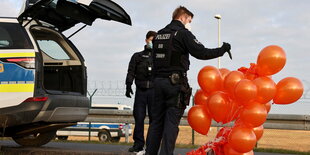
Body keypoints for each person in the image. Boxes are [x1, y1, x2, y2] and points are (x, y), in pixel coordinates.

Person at [145, 6, 232, 155]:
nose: (189, 24)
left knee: (156, 124)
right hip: (174, 85)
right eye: (189, 20)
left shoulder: (159, 35)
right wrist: (222, 49)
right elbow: (202, 52)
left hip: (157, 84)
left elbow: (153, 60)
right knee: (171, 125)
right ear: (182, 17)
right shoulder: (183, 34)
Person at [125, 31, 157, 153]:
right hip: (141, 92)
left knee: (154, 120)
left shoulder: (159, 58)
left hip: (154, 92)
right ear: (146, 40)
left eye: (155, 41)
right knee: (139, 118)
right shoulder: (137, 56)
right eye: (151, 40)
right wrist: (128, 85)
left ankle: (151, 145)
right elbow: (131, 71)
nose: (152, 43)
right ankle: (138, 144)